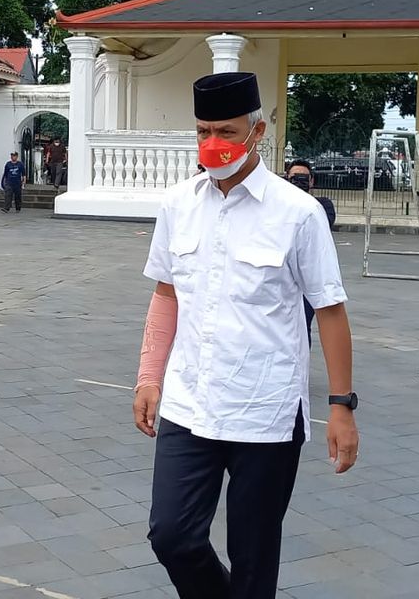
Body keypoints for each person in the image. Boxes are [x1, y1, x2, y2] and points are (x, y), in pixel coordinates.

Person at [133, 72, 358, 598]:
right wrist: (148, 376)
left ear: (257, 133)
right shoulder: (176, 206)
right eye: (203, 130)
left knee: (254, 557)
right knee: (172, 535)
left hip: (265, 413)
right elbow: (166, 294)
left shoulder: (298, 214)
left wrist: (342, 406)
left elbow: (330, 310)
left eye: (227, 131)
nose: (213, 144)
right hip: (190, 405)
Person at [287, 158, 337, 348]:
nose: (299, 182)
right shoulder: (279, 207)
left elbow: (325, 223)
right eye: (294, 178)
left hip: (310, 278)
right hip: (283, 276)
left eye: (303, 178)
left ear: (311, 181)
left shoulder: (320, 205)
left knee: (302, 324)